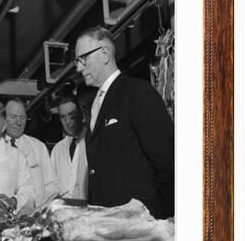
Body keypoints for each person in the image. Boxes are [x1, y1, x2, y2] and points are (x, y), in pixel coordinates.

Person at [74, 26, 174, 218]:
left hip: (141, 226)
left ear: (104, 54)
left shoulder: (137, 92)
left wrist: (159, 218)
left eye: (83, 58)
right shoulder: (96, 103)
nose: (79, 67)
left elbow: (168, 161)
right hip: (108, 226)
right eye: (77, 61)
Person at [4, 97, 59, 206]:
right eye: (13, 117)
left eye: (22, 118)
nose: (18, 122)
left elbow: (51, 187)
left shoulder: (38, 147)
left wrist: (39, 210)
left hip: (35, 215)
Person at [50, 97, 89, 200]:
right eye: (63, 117)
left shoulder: (92, 143)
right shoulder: (57, 149)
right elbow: (52, 184)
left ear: (81, 115)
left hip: (89, 209)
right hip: (64, 210)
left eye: (72, 116)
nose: (67, 122)